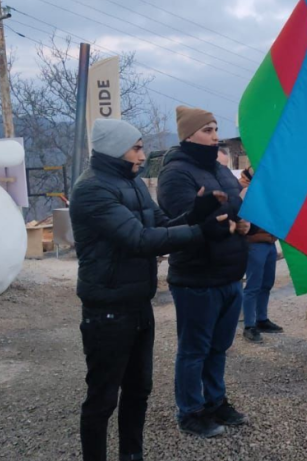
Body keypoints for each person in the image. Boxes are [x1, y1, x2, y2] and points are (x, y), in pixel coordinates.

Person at [71, 118, 232, 461]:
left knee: (138, 390)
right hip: (108, 308)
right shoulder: (92, 189)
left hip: (138, 302)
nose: (143, 155)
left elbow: (161, 225)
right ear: (116, 149)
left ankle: (132, 455)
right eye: (137, 147)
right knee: (102, 398)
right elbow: (139, 239)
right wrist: (201, 231)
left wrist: (196, 213)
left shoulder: (134, 184)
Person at [157, 106, 251, 438]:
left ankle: (215, 401)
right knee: (194, 349)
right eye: (208, 130)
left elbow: (234, 208)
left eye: (215, 129)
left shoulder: (220, 170)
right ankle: (190, 410)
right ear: (188, 135)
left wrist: (240, 223)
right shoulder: (176, 174)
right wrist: (220, 224)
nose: (215, 136)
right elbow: (186, 223)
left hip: (229, 274)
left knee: (218, 347)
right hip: (197, 277)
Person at [237, 166, 283, 343]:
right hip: (255, 243)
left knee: (267, 283)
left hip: (269, 241)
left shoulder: (266, 186)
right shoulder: (244, 188)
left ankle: (261, 319)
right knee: (253, 285)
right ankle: (249, 325)